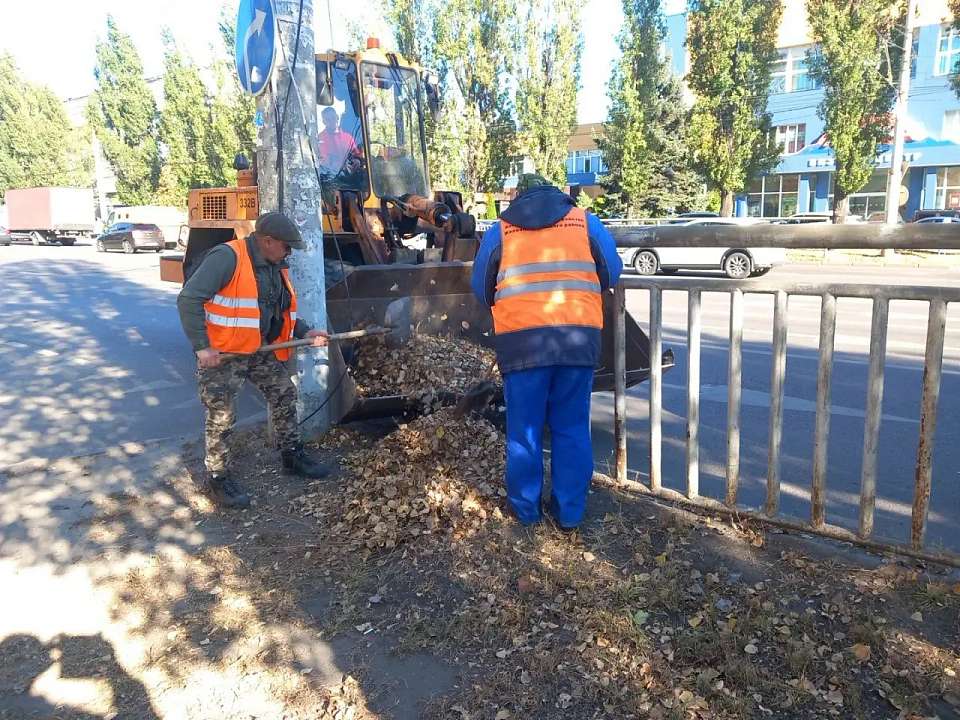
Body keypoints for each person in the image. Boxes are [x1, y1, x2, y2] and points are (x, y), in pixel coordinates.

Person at [471, 174, 623, 531]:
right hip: (577, 340)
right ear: (557, 193)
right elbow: (611, 273)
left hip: (522, 344)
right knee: (571, 427)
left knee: (524, 430)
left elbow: (480, 288)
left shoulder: (502, 230)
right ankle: (569, 513)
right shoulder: (585, 222)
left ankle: (526, 512)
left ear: (518, 197)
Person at [177, 212, 331, 508]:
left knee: (284, 393)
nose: (290, 253)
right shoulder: (227, 258)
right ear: (267, 241)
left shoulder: (275, 265)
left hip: (255, 349)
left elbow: (281, 308)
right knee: (221, 415)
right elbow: (188, 299)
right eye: (287, 247)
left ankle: (291, 455)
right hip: (223, 354)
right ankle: (218, 477)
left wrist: (306, 330)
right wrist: (202, 347)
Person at [318, 106, 359, 174]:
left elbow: (356, 155)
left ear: (337, 117)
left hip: (350, 178)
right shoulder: (320, 138)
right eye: (328, 120)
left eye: (333, 118)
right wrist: (341, 166)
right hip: (330, 179)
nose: (331, 121)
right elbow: (323, 162)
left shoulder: (348, 138)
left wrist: (357, 161)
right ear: (323, 122)